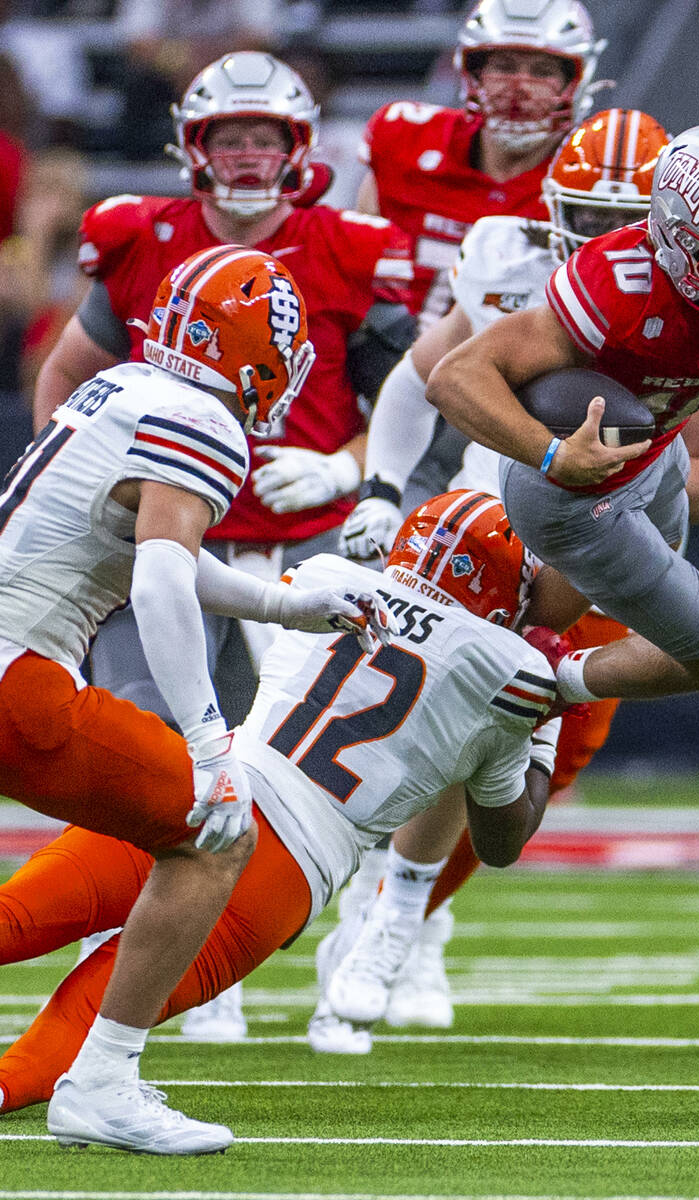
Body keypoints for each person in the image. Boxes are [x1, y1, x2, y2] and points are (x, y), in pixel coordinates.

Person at [319, 109, 699, 1046]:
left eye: (619, 219)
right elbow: (420, 378)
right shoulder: (508, 258)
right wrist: (387, 487)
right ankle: (393, 917)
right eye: (582, 215)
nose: (597, 241)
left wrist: (610, 472)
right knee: (430, 733)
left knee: (508, 815)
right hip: (480, 543)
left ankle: (414, 912)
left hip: (605, 553)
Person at [31, 50, 415, 1042]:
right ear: (192, 149)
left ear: (297, 148)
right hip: (165, 539)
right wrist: (85, 515)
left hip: (303, 540)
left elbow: (412, 400)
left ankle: (314, 946)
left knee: (312, 770)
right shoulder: (140, 238)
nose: (246, 156)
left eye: (263, 137)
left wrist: (343, 469)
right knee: (159, 761)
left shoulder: (349, 247)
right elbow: (67, 381)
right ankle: (137, 961)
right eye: (228, 137)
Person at [0, 490, 561, 1139]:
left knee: (14, 917)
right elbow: (501, 838)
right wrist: (542, 729)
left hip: (204, 794)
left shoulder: (330, 577)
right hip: (284, 868)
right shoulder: (510, 672)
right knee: (96, 1018)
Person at [0, 244, 397, 1154]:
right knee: (218, 833)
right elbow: (161, 585)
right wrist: (213, 749)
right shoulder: (200, 418)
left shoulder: (122, 387)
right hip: (20, 676)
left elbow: (164, 553)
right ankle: (102, 1080)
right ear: (254, 350)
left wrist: (286, 602)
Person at [426, 121, 699, 721]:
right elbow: (452, 377)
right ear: (678, 244)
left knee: (541, 621)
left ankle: (512, 670)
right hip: (569, 488)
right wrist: (552, 454)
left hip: (659, 454)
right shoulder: (618, 285)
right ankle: (540, 681)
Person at [355, 0, 606, 324]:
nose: (520, 88)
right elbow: (352, 273)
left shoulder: (595, 176)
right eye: (503, 66)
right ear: (473, 71)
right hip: (387, 354)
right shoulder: (404, 138)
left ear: (577, 79)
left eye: (543, 72)